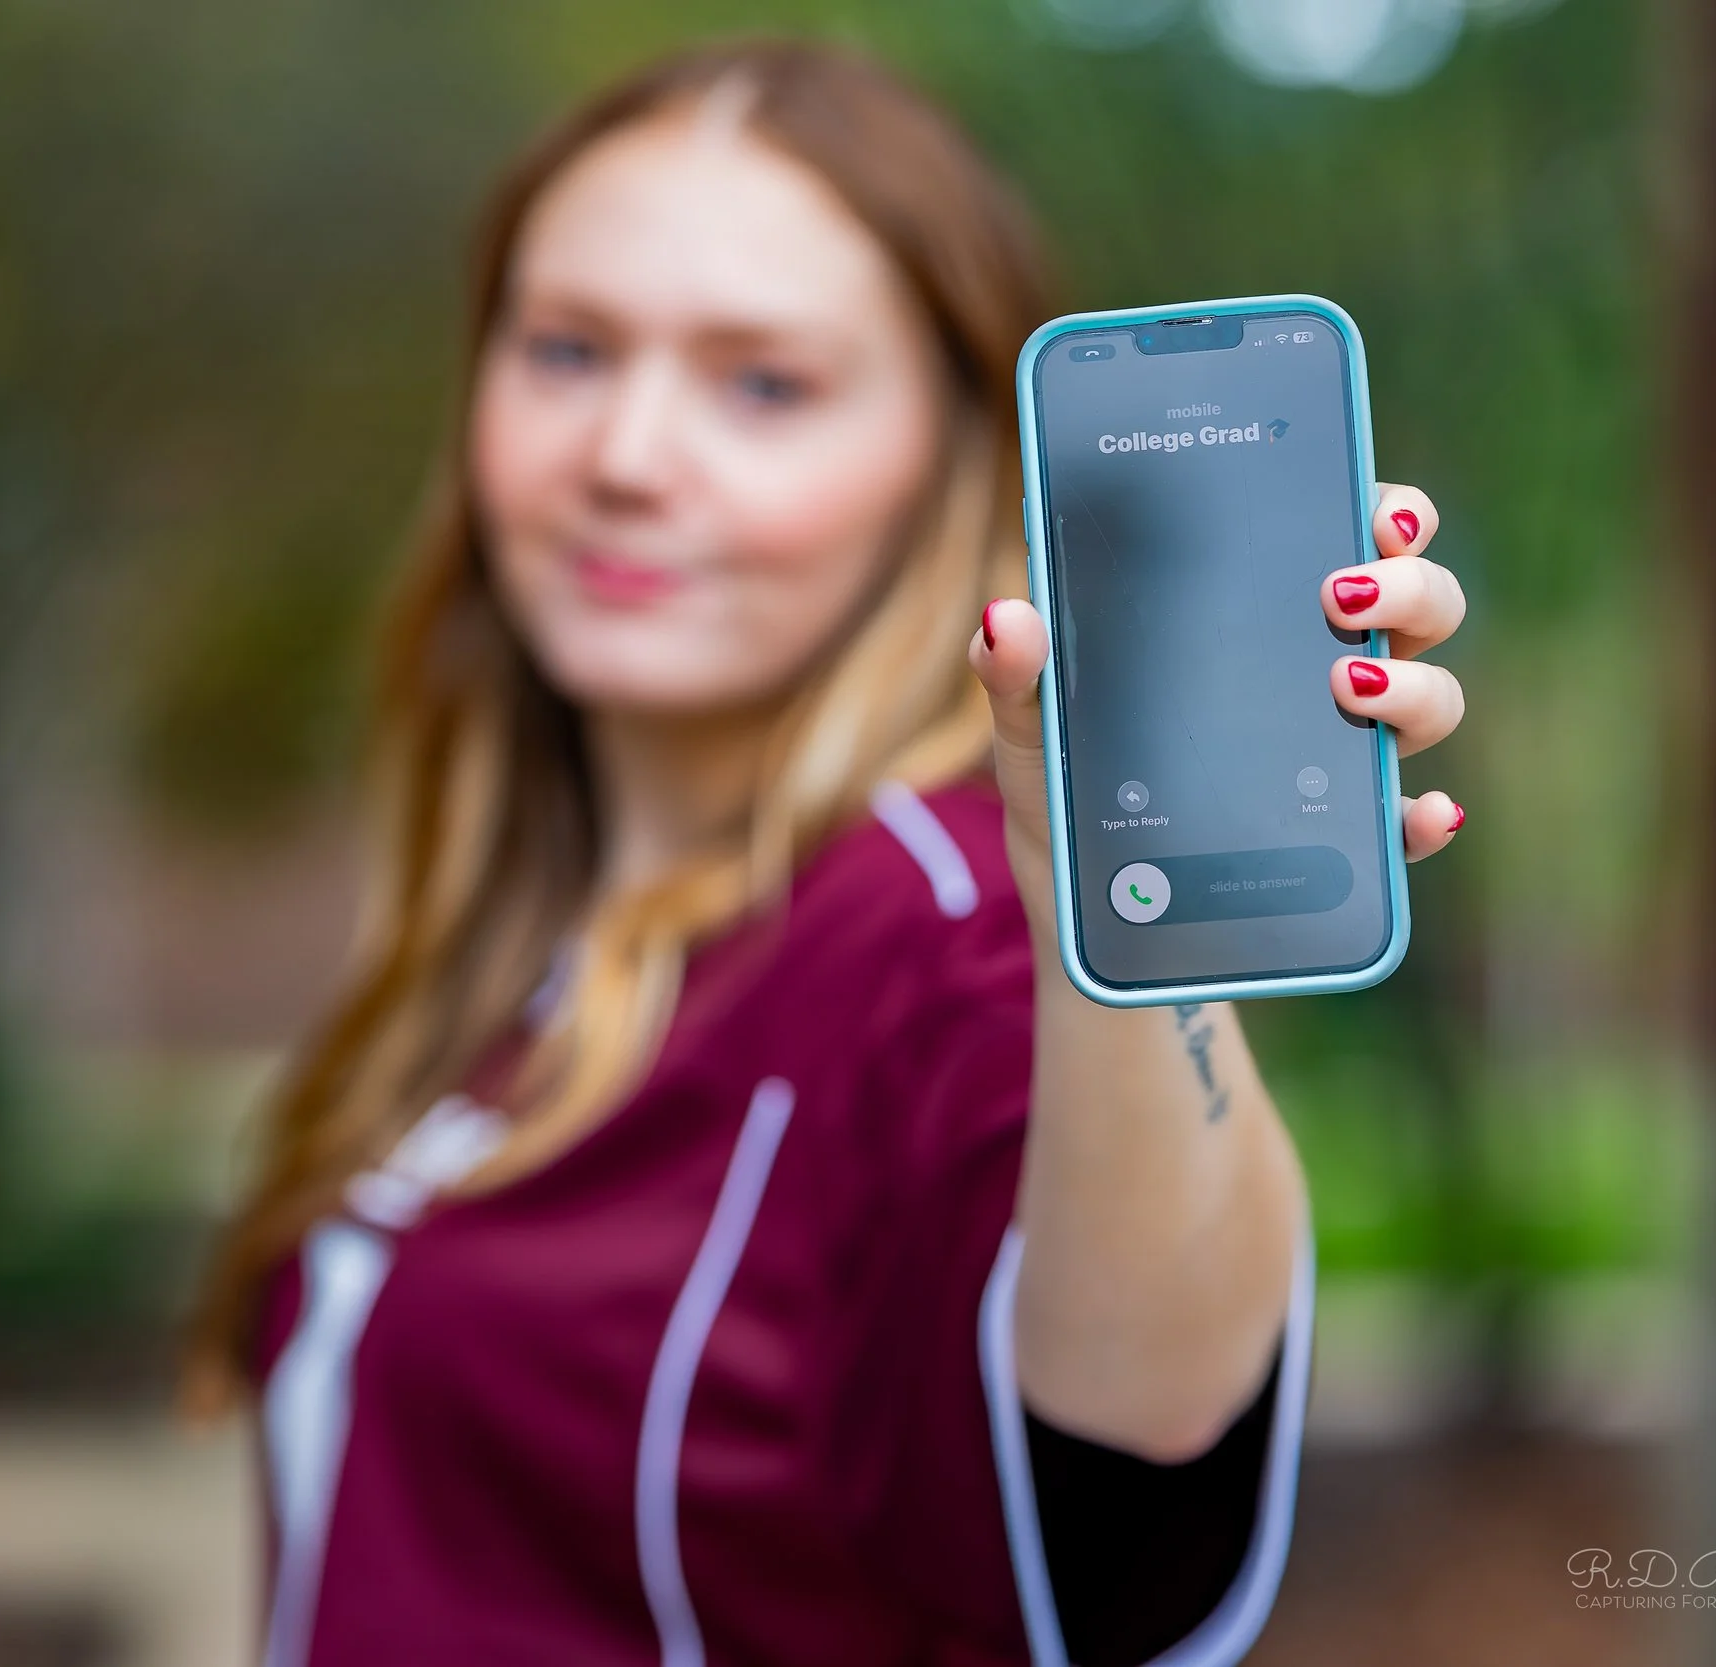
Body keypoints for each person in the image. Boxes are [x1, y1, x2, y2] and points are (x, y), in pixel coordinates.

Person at [186, 37, 1468, 1667]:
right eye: (568, 350)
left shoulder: (957, 929)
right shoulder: (522, 923)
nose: (629, 455)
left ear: (952, 459)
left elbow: (1147, 1433)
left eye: (763, 383)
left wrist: (1139, 934)